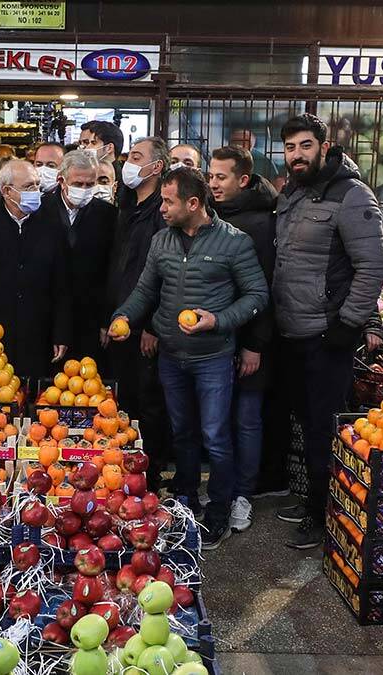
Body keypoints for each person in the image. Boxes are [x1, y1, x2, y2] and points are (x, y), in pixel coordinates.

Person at [109, 167, 268, 549]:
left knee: (215, 438)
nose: (161, 207)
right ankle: (184, 501)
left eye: (168, 201)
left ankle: (218, 513)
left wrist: (219, 321)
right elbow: (145, 289)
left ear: (193, 204)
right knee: (182, 434)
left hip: (213, 357)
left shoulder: (235, 243)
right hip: (171, 356)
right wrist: (124, 315)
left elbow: (257, 295)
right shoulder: (162, 240)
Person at [271, 113, 383, 549]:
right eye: (289, 147)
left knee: (324, 428)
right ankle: (312, 502)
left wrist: (349, 323)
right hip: (293, 332)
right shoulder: (293, 193)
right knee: (306, 424)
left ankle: (324, 517)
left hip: (326, 334)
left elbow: (372, 266)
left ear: (324, 145)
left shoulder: (352, 195)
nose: (296, 155)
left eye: (304, 146)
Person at [208, 145, 279, 533]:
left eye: (222, 177)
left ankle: (242, 496)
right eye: (211, 176)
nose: (213, 184)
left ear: (243, 179)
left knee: (246, 419)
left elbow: (265, 289)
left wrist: (255, 344)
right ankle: (223, 488)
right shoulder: (210, 215)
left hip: (250, 339)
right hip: (213, 339)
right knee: (218, 422)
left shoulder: (261, 223)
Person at [0, 160, 71, 379]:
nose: (36, 192)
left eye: (38, 185)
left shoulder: (52, 226)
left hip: (38, 335)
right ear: (7, 191)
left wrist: (61, 334)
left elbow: (62, 287)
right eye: (29, 187)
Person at [105, 137, 170, 489]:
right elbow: (120, 268)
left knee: (148, 403)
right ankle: (126, 467)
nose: (127, 162)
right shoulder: (129, 206)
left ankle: (151, 471)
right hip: (122, 321)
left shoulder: (162, 211)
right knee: (124, 397)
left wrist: (154, 326)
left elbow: (165, 275)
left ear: (156, 167)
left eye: (135, 157)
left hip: (146, 327)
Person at [40, 151, 114, 361]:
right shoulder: (39, 210)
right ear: (61, 180)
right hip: (47, 314)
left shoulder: (108, 215)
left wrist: (105, 319)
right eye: (78, 184)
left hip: (90, 315)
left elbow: (110, 270)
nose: (84, 190)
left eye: (90, 184)